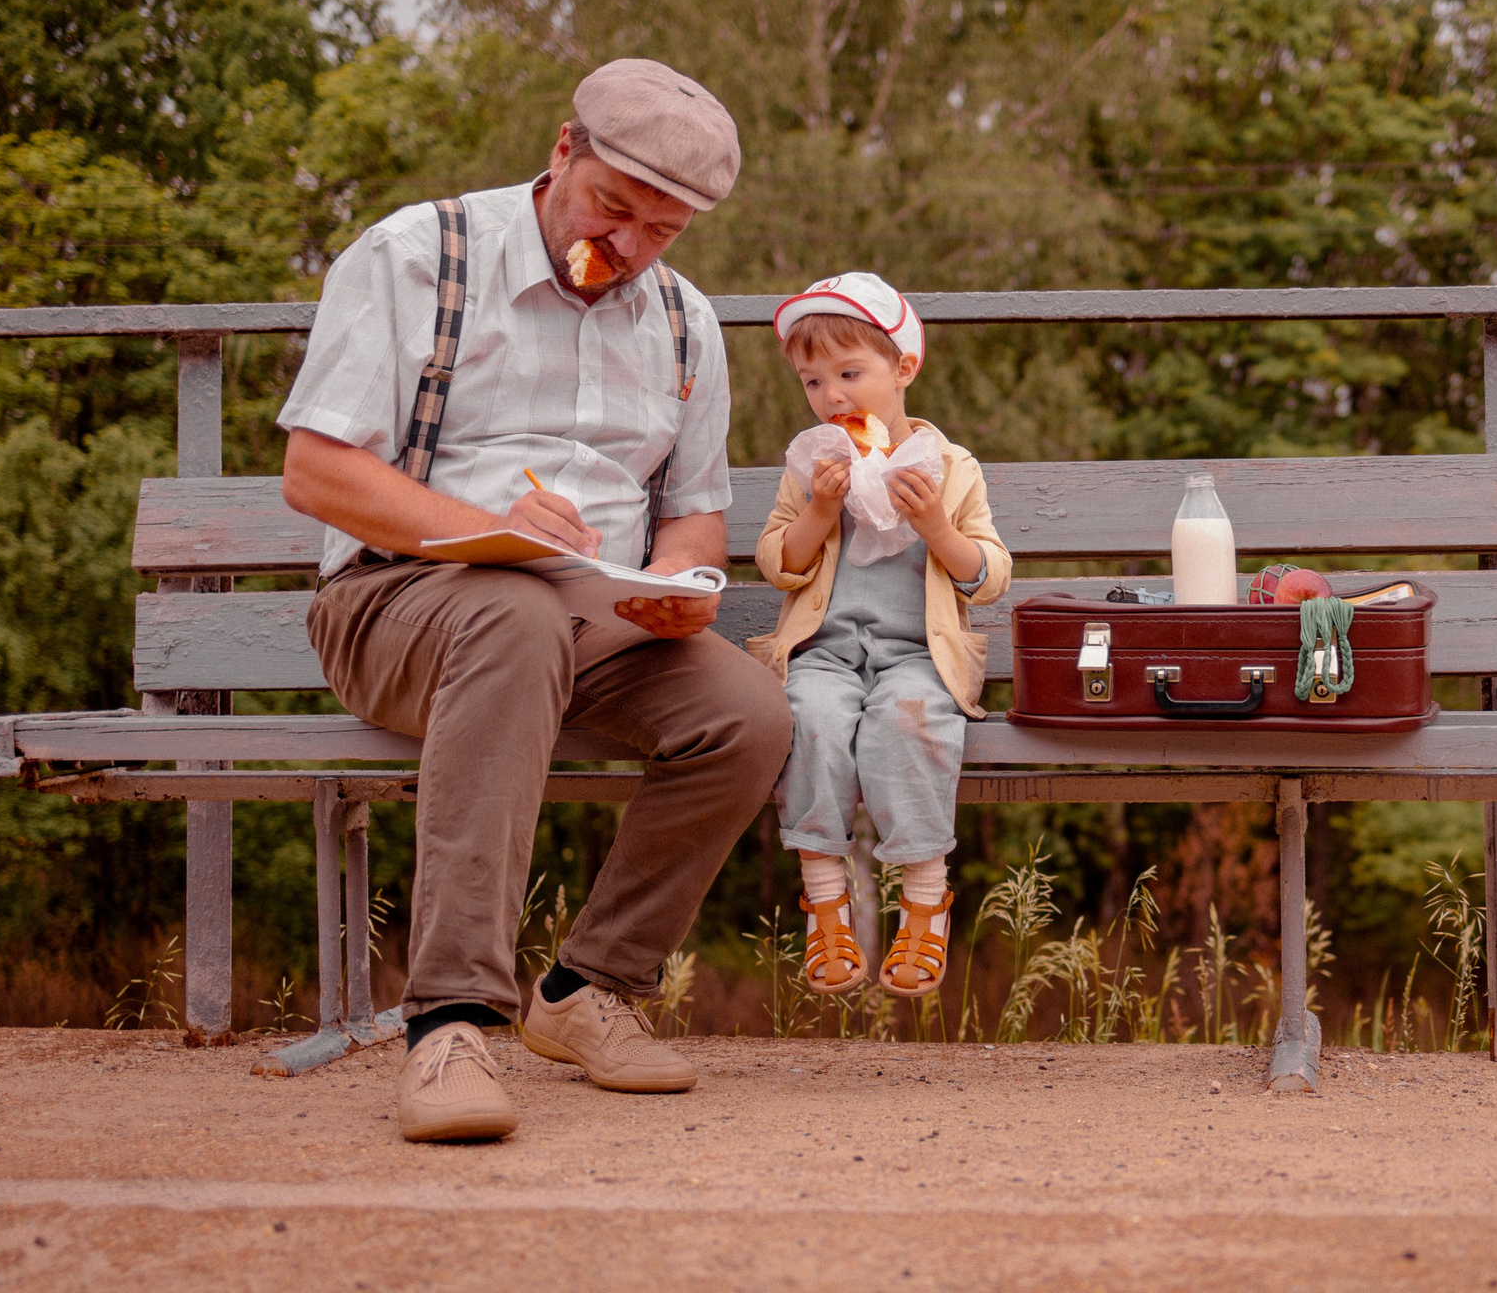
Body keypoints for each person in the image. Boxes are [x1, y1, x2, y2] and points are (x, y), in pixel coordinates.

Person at [276, 59, 793, 1144]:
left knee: (749, 714)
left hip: (592, 615)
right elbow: (317, 474)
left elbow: (695, 518)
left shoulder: (686, 322)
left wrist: (689, 591)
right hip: (398, 599)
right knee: (508, 614)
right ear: (562, 152)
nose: (631, 246)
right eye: (614, 207)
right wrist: (478, 532)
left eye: (665, 229)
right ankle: (450, 1021)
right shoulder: (416, 256)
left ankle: (588, 989)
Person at [750, 273, 1010, 1000]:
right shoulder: (811, 468)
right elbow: (779, 563)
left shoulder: (951, 468)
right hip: (826, 652)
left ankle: (925, 898)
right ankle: (824, 899)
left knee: (910, 722)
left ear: (903, 370)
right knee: (810, 720)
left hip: (916, 657)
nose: (833, 396)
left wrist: (935, 528)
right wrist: (819, 512)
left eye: (850, 373)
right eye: (813, 381)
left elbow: (989, 575)